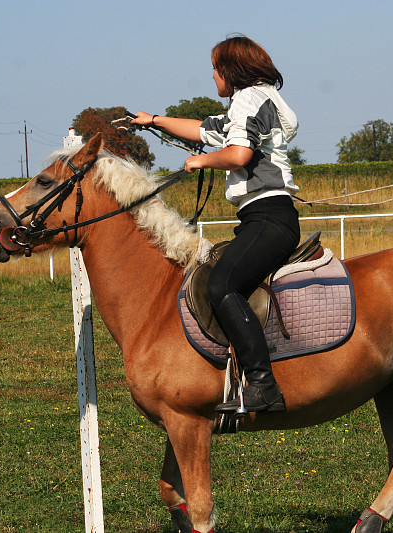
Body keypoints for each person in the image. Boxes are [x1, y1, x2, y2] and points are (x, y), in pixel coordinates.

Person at [132, 35, 300, 414]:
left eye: (214, 69)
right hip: (266, 216)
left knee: (222, 284)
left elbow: (238, 153)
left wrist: (202, 162)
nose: (211, 76)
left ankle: (262, 383)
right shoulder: (260, 99)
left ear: (230, 70)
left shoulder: (247, 99)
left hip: (269, 216)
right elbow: (202, 129)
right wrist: (154, 120)